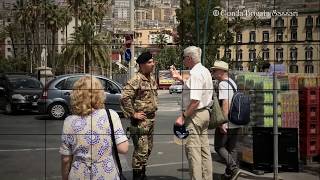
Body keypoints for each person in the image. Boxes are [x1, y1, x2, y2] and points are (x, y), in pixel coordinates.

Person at [59, 76, 129, 180]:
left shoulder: (69, 121)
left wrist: (65, 177)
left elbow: (66, 159)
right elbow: (123, 148)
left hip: (79, 174)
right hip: (106, 172)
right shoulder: (110, 115)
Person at [170, 46, 213, 180]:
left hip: (195, 115)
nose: (183, 61)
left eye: (184, 58)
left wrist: (183, 117)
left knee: (193, 152)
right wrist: (179, 78)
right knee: (204, 151)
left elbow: (195, 100)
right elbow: (193, 87)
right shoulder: (204, 70)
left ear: (189, 58)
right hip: (204, 113)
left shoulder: (195, 73)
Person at [120, 51, 158, 180]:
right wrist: (133, 114)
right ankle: (137, 176)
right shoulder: (136, 79)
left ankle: (142, 173)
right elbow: (125, 97)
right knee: (140, 151)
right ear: (142, 65)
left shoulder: (151, 78)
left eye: (152, 61)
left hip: (151, 119)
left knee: (148, 149)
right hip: (141, 121)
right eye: (149, 62)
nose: (153, 64)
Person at [211, 61, 241, 180]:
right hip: (236, 120)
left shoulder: (223, 84)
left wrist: (222, 122)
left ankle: (233, 168)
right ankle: (229, 175)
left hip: (227, 121)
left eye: (215, 70)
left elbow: (226, 103)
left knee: (219, 146)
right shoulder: (232, 82)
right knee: (231, 148)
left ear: (222, 71)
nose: (213, 72)